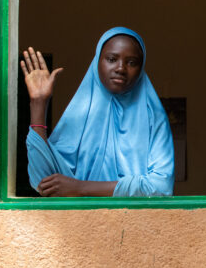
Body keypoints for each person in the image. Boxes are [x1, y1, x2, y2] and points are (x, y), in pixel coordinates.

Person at [22, 27, 175, 197]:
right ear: (97, 62)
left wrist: (80, 188)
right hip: (78, 222)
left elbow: (161, 187)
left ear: (141, 68)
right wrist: (39, 104)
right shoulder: (78, 116)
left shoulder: (154, 118)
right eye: (111, 59)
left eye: (132, 62)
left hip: (137, 222)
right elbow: (43, 182)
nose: (121, 68)